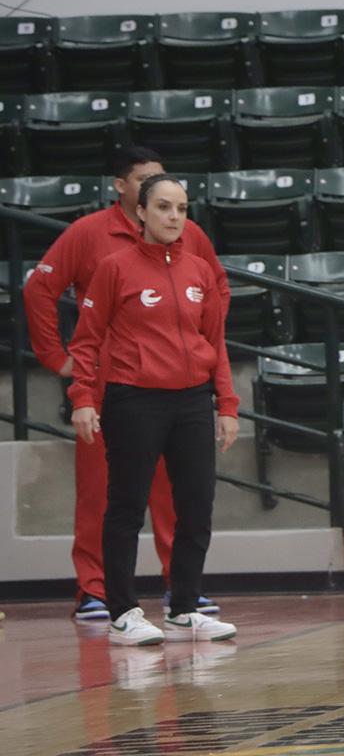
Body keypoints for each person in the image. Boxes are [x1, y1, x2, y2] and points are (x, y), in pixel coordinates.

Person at [24, 146, 229, 621]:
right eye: (148, 184)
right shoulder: (91, 235)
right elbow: (40, 289)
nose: (171, 209)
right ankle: (99, 592)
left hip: (184, 391)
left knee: (181, 499)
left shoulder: (191, 238)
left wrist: (193, 346)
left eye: (176, 199)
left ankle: (181, 592)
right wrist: (59, 362)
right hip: (118, 388)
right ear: (126, 191)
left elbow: (216, 292)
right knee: (109, 495)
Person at [67, 174, 240, 645]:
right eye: (164, 207)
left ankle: (184, 609)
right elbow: (86, 340)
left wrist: (226, 403)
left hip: (192, 400)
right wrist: (82, 397)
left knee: (196, 507)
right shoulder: (114, 268)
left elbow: (214, 342)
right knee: (125, 507)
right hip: (133, 398)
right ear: (140, 212)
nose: (174, 217)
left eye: (182, 209)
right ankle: (122, 611)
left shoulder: (200, 271)